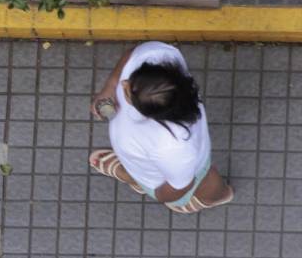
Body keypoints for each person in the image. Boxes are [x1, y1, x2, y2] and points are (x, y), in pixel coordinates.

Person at [89, 41, 234, 213]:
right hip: (148, 160)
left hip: (166, 177)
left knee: (203, 177)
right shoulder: (158, 57)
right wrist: (110, 86)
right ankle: (136, 175)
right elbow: (133, 55)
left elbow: (181, 185)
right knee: (148, 168)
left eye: (128, 90)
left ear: (151, 115)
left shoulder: (174, 148)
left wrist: (160, 195)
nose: (123, 83)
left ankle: (217, 196)